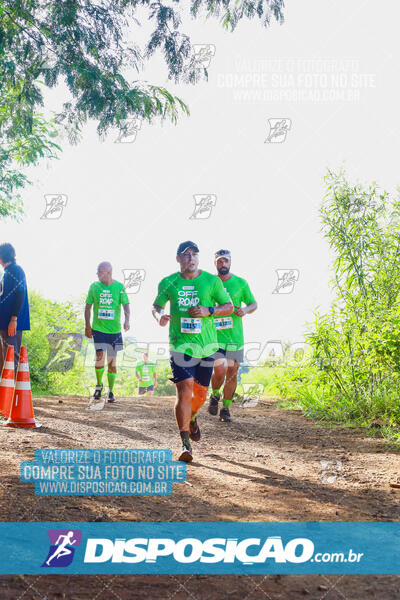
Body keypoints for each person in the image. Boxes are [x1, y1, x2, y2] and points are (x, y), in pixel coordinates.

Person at [152, 241, 233, 462]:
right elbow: (156, 306)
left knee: (200, 395)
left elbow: (229, 306)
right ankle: (185, 444)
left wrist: (209, 310)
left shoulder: (211, 281)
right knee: (184, 391)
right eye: (186, 255)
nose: (191, 258)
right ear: (178, 258)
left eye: (194, 254)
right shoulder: (168, 282)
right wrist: (160, 316)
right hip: (180, 345)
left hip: (207, 346)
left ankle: (194, 417)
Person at [208, 249, 257, 422]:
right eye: (220, 262)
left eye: (226, 261)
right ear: (215, 263)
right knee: (220, 369)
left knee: (233, 372)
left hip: (235, 337)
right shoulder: (209, 282)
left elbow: (253, 303)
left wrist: (244, 309)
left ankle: (226, 409)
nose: (223, 264)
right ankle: (214, 395)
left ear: (230, 262)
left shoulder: (241, 283)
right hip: (214, 336)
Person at [85, 262, 130, 403]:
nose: (97, 274)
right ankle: (99, 386)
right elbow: (88, 308)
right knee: (100, 357)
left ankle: (111, 391)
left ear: (108, 273)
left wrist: (127, 320)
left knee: (112, 362)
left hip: (114, 331)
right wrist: (87, 326)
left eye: (100, 271)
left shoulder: (119, 287)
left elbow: (126, 305)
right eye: (98, 271)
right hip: (98, 329)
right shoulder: (94, 287)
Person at [0, 243, 30, 374]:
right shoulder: (6, 273)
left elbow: (20, 293)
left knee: (11, 358)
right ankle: (5, 392)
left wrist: (14, 319)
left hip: (11, 324)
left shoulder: (16, 270)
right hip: (3, 323)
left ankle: (15, 392)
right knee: (3, 360)